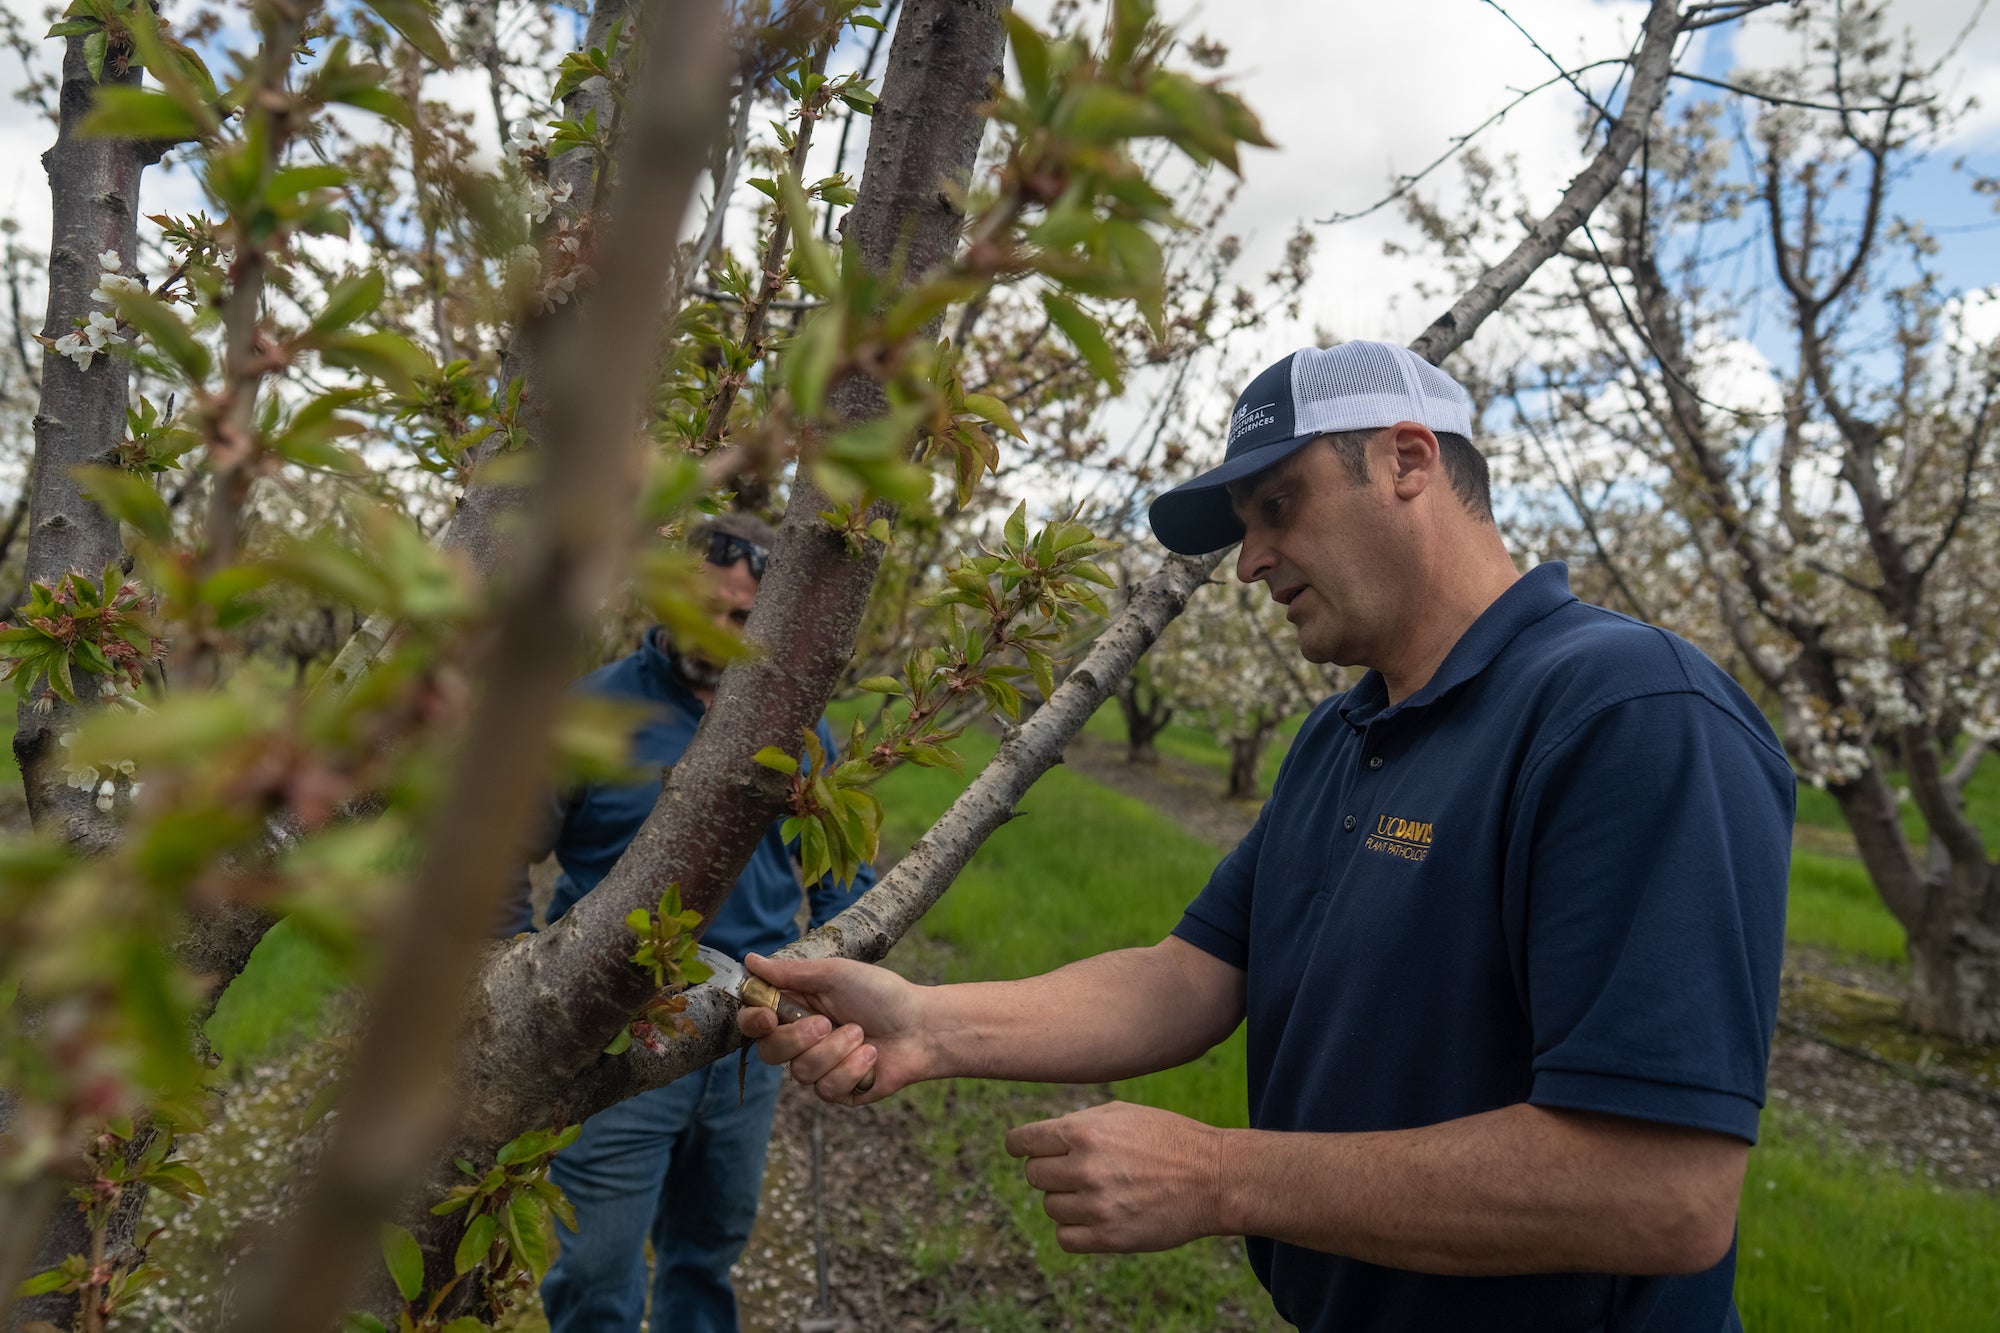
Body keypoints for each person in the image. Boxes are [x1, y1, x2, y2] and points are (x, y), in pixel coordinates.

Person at [737, 342, 1794, 1332]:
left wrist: (1220, 1177)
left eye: (1277, 506)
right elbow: (1191, 975)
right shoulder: (1345, 734)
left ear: (1406, 460)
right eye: (1244, 522)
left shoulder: (1626, 715)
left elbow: (1660, 1190)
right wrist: (928, 1026)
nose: (1249, 562)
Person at [503, 512, 876, 1333]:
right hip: (617, 1034)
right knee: (597, 1269)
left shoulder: (797, 726)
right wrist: (510, 980)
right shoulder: (590, 712)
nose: (719, 628)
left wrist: (838, 982)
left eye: (744, 617)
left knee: (707, 1251)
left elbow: (846, 870)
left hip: (749, 1036)